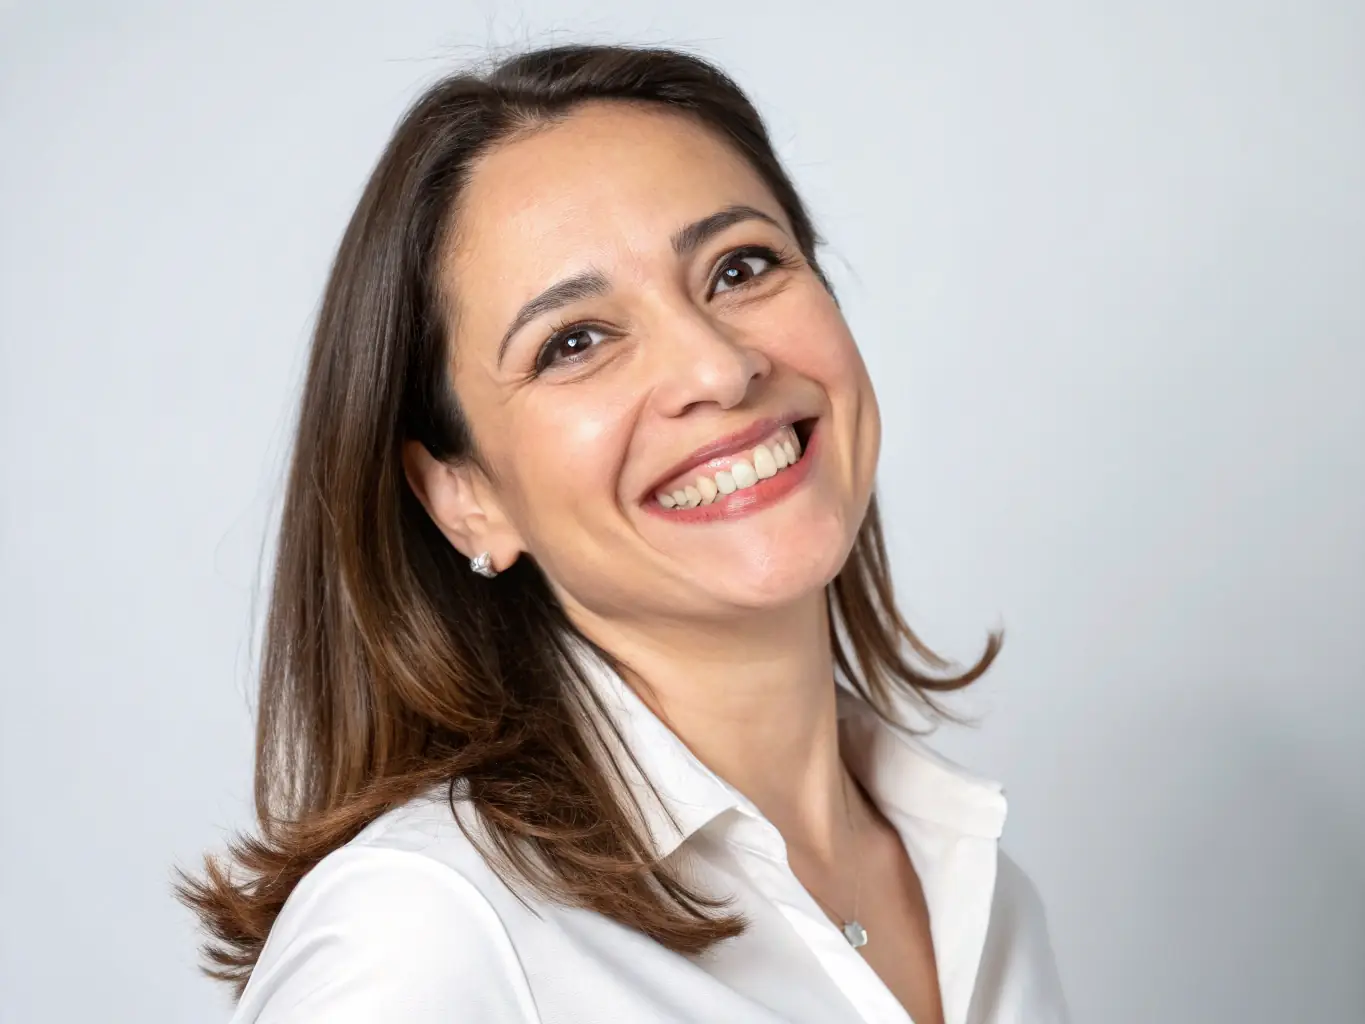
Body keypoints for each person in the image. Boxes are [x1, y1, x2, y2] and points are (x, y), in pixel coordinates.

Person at [176, 42, 1070, 1024]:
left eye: (740, 267)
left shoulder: (987, 900)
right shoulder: (432, 928)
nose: (718, 369)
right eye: (576, 341)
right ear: (465, 493)